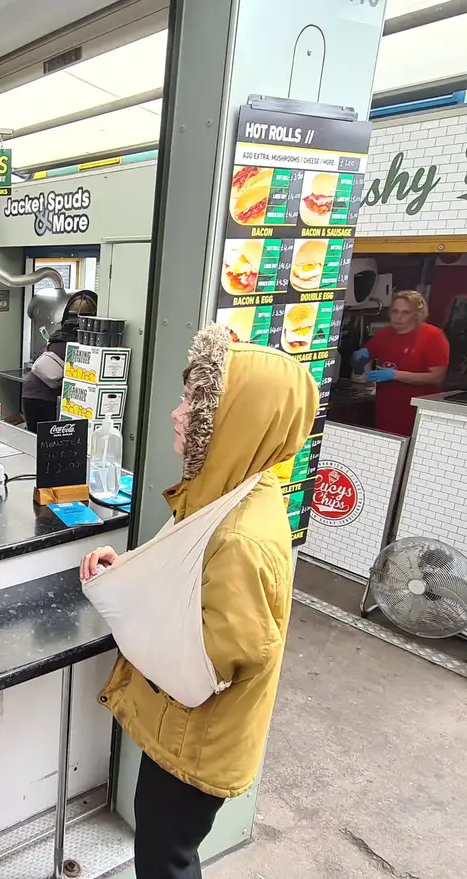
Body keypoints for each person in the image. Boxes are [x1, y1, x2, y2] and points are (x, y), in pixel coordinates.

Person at [78, 325, 318, 878]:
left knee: (165, 859)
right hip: (182, 732)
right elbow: (189, 584)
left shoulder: (240, 534)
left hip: (199, 740)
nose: (178, 413)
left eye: (196, 403)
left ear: (238, 421)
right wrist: (134, 574)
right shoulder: (224, 496)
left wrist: (138, 609)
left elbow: (219, 654)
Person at [355, 290, 449, 437]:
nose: (398, 317)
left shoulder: (433, 336)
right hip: (386, 409)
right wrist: (358, 358)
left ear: (416, 315)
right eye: (395, 311)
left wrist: (395, 375)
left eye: (405, 312)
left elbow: (437, 377)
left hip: (415, 412)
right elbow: (362, 360)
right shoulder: (385, 334)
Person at [21, 289, 98, 430]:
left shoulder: (58, 336)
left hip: (31, 393)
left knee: (36, 442)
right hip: (47, 399)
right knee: (49, 444)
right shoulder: (82, 344)